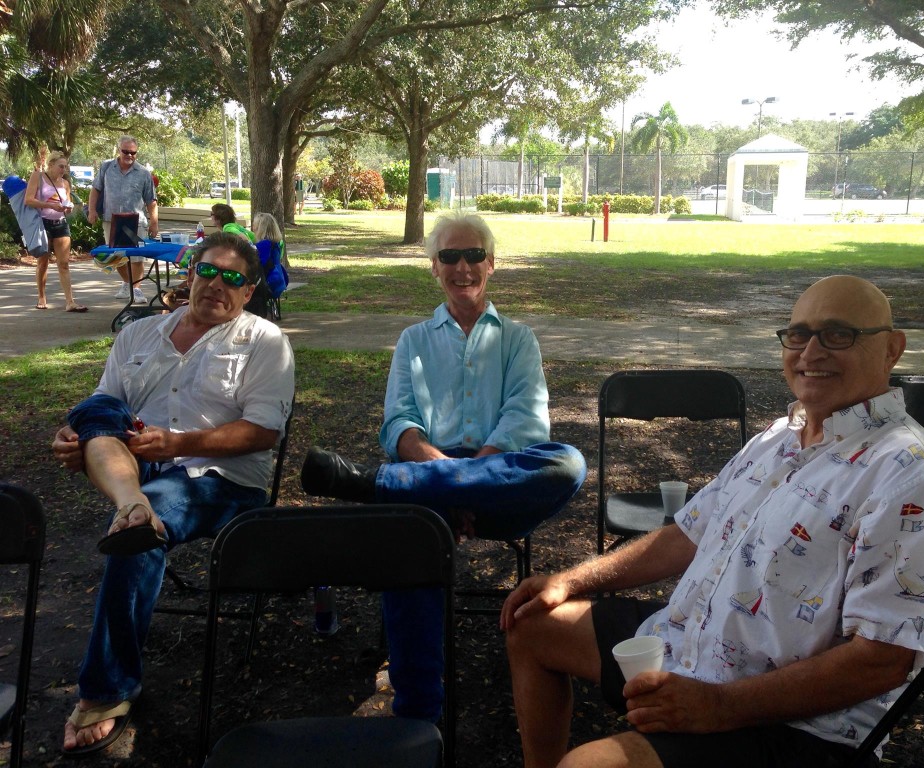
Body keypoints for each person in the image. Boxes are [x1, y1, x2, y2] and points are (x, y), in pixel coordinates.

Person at [502, 275, 924, 768]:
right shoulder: (780, 436)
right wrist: (569, 580)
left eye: (838, 334)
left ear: (892, 349)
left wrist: (717, 707)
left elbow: (885, 658)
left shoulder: (908, 471)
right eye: (798, 335)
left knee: (589, 766)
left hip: (792, 721)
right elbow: (690, 533)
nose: (810, 352)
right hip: (687, 647)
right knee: (532, 623)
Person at [300, 212, 587, 723]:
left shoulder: (519, 339)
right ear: (434, 267)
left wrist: (463, 486)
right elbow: (400, 425)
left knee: (567, 463)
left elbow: (526, 421)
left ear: (492, 264)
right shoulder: (413, 340)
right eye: (450, 256)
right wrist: (447, 485)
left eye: (474, 254)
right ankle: (417, 717)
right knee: (408, 540)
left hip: (498, 486)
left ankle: (376, 485)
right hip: (428, 489)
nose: (463, 266)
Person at [52, 230, 295, 756]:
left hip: (223, 482)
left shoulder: (263, 342)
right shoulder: (138, 336)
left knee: (146, 522)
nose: (217, 285)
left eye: (233, 278)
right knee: (96, 417)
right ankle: (130, 505)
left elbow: (262, 432)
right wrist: (77, 436)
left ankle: (106, 691)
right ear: (190, 273)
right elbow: (105, 405)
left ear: (248, 292)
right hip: (136, 468)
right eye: (208, 271)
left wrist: (181, 442)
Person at [88, 135, 158, 304]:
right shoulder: (106, 167)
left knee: (137, 258)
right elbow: (95, 190)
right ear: (118, 150)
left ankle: (137, 289)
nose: (129, 156)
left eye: (133, 152)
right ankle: (128, 283)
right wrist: (91, 210)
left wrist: (154, 223)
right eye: (126, 152)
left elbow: (151, 200)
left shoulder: (143, 173)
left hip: (136, 221)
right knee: (116, 257)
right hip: (111, 220)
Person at [24, 151, 87, 312]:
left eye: (65, 167)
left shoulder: (65, 183)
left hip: (60, 223)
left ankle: (70, 301)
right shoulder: (38, 177)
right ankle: (41, 296)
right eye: (60, 166)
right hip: (42, 223)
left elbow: (67, 202)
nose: (63, 170)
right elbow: (28, 200)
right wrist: (50, 205)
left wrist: (68, 208)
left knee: (64, 263)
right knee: (43, 262)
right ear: (51, 165)